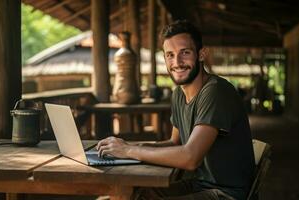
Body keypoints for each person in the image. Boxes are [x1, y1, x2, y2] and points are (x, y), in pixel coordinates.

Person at [97, 20, 255, 200]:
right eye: (170, 55)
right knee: (136, 194)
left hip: (227, 193)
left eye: (185, 53)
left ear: (201, 54)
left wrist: (128, 152)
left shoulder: (216, 91)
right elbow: (174, 143)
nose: (177, 62)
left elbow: (190, 157)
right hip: (198, 184)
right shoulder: (178, 94)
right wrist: (129, 147)